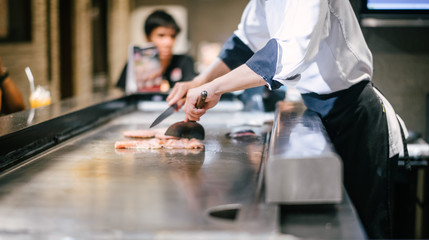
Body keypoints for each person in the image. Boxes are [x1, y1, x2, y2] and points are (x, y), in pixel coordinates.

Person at [167, 0, 408, 238]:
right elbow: (244, 42)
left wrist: (215, 87)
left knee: (362, 229)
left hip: (356, 118)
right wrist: (200, 81)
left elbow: (289, 54)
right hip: (320, 112)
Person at [116, 10, 197, 92]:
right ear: (148, 38)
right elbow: (121, 92)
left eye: (172, 36)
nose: (168, 42)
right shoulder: (135, 63)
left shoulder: (185, 61)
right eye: (161, 35)